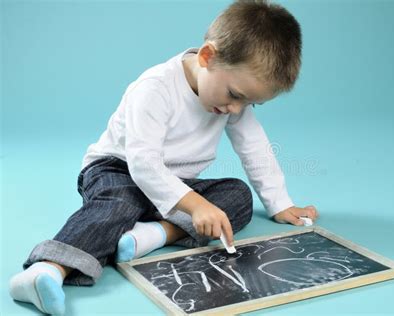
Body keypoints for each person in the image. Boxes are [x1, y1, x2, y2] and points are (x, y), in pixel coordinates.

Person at [8, 0, 319, 314]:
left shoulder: (231, 100)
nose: (237, 109)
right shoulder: (155, 88)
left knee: (237, 196)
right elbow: (143, 164)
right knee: (120, 204)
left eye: (251, 103)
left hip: (174, 186)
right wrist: (195, 205)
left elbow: (254, 146)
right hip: (119, 170)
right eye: (235, 96)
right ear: (208, 57)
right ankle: (46, 271)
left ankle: (151, 235)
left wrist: (280, 202)